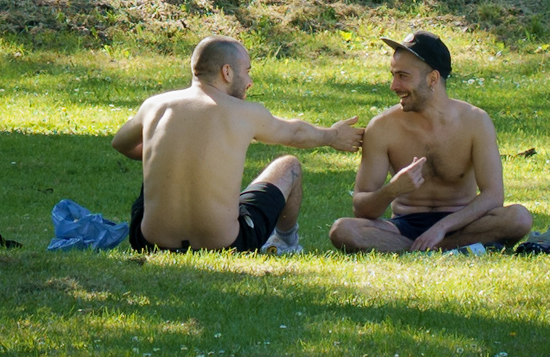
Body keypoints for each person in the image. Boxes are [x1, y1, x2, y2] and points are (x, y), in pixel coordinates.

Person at [111, 35, 364, 254]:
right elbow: (295, 133)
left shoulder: (155, 105)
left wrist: (165, 154)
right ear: (227, 71)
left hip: (149, 242)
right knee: (290, 166)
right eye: (248, 71)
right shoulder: (245, 112)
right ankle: (285, 243)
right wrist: (331, 136)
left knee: (166, 162)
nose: (250, 81)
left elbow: (121, 143)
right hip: (226, 244)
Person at [329, 31, 532, 253]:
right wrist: (393, 189)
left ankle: (424, 249)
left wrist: (442, 228)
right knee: (343, 230)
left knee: (519, 218)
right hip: (405, 225)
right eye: (393, 75)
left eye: (403, 76)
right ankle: (447, 250)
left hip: (463, 222)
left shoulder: (475, 121)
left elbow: (493, 196)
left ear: (432, 79)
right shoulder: (382, 127)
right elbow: (361, 208)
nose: (393, 86)